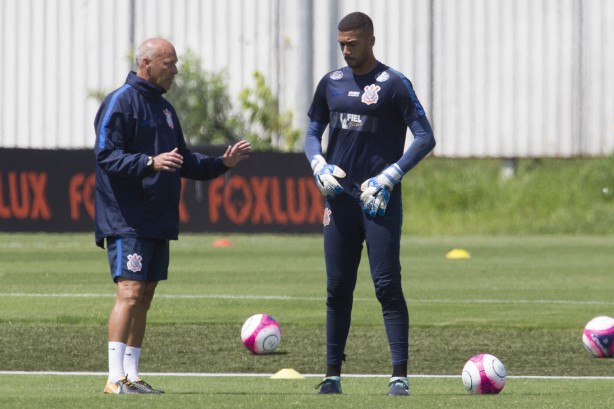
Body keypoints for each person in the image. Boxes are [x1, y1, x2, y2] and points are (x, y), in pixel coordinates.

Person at [94, 38, 251, 395]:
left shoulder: (165, 109)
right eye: (170, 63)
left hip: (157, 217)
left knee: (145, 294)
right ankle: (113, 378)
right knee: (130, 292)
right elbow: (105, 155)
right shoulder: (121, 101)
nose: (176, 71)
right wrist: (149, 162)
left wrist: (221, 164)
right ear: (146, 63)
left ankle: (132, 375)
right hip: (127, 218)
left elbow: (184, 160)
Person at [304, 12, 436, 396]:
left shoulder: (393, 84)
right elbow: (313, 130)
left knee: (386, 285)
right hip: (339, 200)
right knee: (337, 288)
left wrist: (390, 177)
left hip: (378, 200)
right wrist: (318, 164)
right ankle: (332, 376)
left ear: (370, 40)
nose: (346, 51)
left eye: (353, 44)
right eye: (341, 44)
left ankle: (399, 375)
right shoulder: (330, 83)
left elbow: (425, 137)